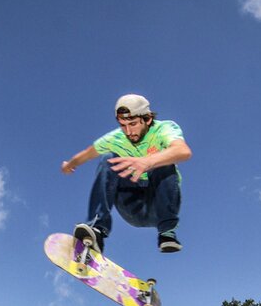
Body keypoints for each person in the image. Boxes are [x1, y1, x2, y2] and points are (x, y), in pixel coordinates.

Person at [61, 94, 192, 254]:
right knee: (108, 158)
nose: (129, 131)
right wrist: (70, 164)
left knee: (164, 162)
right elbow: (87, 153)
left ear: (148, 119)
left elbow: (183, 151)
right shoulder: (116, 138)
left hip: (160, 206)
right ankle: (97, 230)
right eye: (123, 125)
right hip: (132, 208)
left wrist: (148, 162)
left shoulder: (164, 129)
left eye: (133, 124)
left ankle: (166, 233)